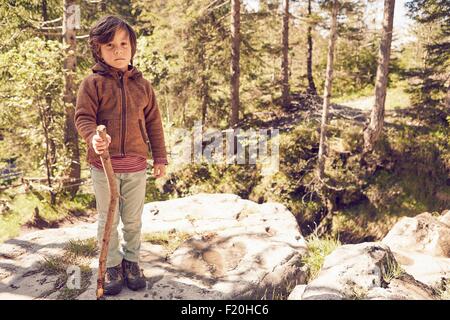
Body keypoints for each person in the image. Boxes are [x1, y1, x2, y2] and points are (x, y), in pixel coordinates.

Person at [75, 15, 168, 296]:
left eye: (124, 44)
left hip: (137, 166)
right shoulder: (92, 84)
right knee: (108, 218)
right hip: (104, 168)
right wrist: (93, 138)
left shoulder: (143, 86)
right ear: (98, 50)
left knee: (133, 220)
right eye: (110, 46)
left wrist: (160, 158)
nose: (118, 51)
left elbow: (154, 124)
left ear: (132, 46)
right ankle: (112, 265)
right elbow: (83, 118)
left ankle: (132, 262)